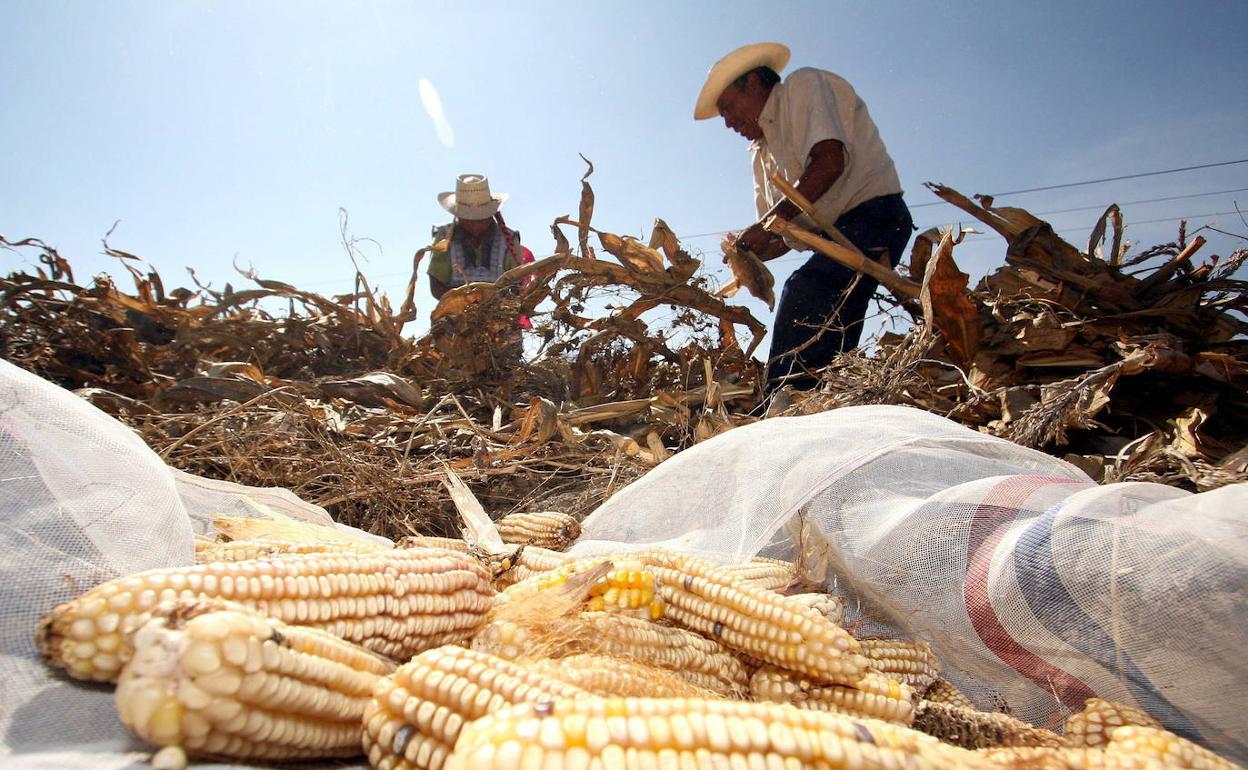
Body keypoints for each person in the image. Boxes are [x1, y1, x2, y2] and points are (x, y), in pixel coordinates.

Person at [695, 42, 913, 392]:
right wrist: (751, 252)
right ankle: (827, 395)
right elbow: (783, 234)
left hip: (876, 214)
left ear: (752, 83)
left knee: (807, 291)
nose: (728, 122)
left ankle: (787, 404)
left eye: (729, 108)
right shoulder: (761, 156)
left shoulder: (802, 87)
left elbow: (829, 162)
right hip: (831, 238)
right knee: (823, 307)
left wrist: (767, 226)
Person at [427, 173, 533, 302]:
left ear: (490, 214)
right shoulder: (444, 237)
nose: (474, 223)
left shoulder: (508, 239)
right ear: (458, 215)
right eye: (468, 218)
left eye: (480, 218)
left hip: (499, 313)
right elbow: (436, 284)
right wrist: (464, 302)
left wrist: (495, 304)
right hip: (456, 314)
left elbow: (518, 283)